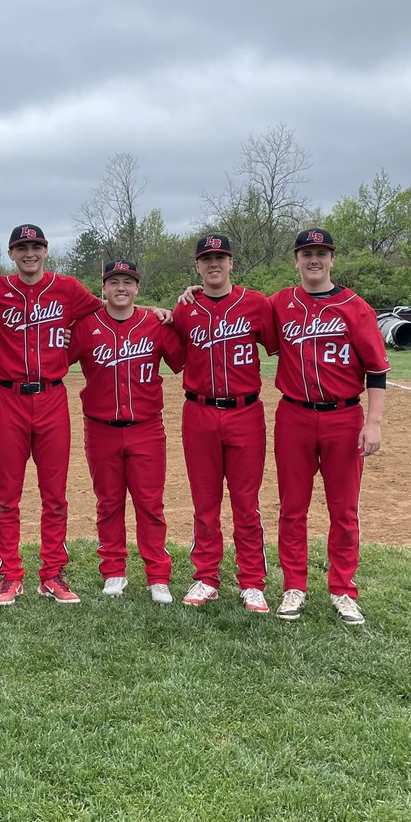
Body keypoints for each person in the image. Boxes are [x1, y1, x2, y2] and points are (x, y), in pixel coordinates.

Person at [269, 228, 389, 625]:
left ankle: (343, 590)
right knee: (292, 507)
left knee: (344, 509)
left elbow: (376, 369)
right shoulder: (280, 303)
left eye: (321, 253)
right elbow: (234, 308)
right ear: (296, 260)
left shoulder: (356, 307)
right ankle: (294, 587)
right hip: (294, 416)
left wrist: (373, 422)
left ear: (332, 259)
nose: (314, 260)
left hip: (344, 416)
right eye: (307, 253)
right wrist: (192, 293)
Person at [0, 224, 100, 605]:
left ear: (46, 251)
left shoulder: (68, 288)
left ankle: (52, 574)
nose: (29, 253)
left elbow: (110, 309)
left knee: (55, 495)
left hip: (52, 398)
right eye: (21, 247)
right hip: (9, 400)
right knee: (7, 495)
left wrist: (157, 311)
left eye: (35, 246)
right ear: (11, 254)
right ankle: (10, 575)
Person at [69, 260, 184, 602]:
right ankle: (114, 571)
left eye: (128, 282)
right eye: (114, 281)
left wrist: (173, 315)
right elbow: (54, 359)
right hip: (100, 428)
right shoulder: (86, 325)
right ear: (103, 288)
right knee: (108, 503)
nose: (121, 287)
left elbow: (181, 360)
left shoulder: (154, 323)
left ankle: (157, 576)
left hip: (146, 427)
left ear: (137, 288)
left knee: (150, 504)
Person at [173, 234, 276, 613]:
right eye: (206, 259)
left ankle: (252, 582)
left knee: (246, 504)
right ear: (197, 267)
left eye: (220, 257)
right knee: (205, 503)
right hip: (199, 412)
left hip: (245, 412)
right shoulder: (186, 308)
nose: (213, 264)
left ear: (231, 262)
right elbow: (168, 340)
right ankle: (206, 577)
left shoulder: (256, 304)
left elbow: (281, 345)